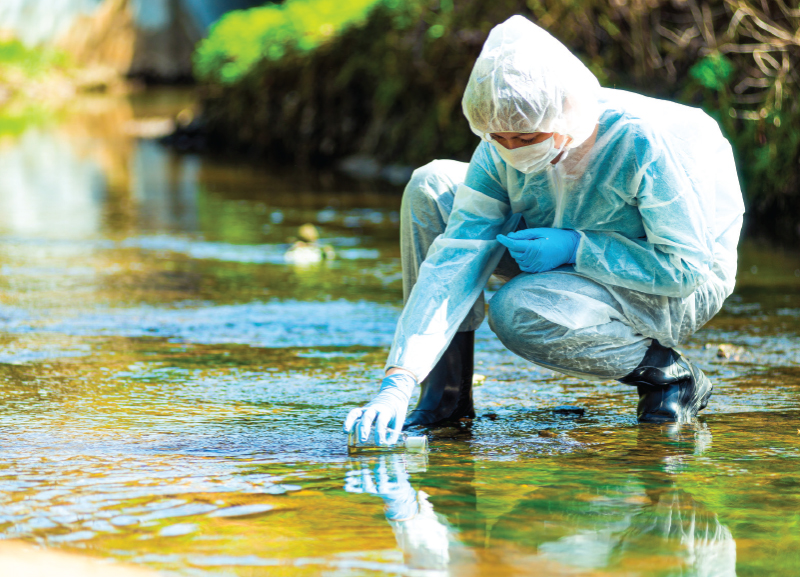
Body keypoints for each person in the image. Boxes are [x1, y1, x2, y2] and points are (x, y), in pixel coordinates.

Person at [344, 15, 744, 445]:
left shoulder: (640, 143)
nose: (512, 151)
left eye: (526, 138)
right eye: (500, 137)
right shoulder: (500, 144)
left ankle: (668, 376)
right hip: (553, 239)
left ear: (565, 117)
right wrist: (398, 379)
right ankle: (445, 397)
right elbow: (455, 256)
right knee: (433, 184)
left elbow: (685, 269)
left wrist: (578, 248)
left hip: (669, 280)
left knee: (517, 310)